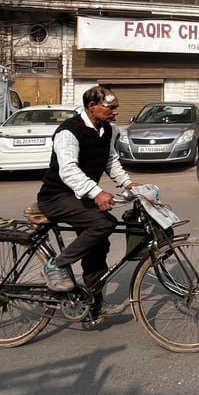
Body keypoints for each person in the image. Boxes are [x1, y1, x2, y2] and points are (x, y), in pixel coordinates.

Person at [37, 85, 137, 325]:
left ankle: (93, 305)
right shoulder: (69, 131)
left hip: (80, 197)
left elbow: (110, 161)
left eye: (116, 107)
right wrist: (97, 192)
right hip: (56, 196)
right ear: (92, 107)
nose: (115, 112)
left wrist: (128, 183)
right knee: (104, 223)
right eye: (110, 107)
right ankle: (56, 265)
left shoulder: (108, 131)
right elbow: (68, 170)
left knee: (98, 246)